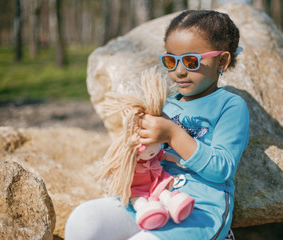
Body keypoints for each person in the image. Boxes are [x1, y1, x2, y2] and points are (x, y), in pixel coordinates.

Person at [65, 9, 249, 240]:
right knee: (84, 220)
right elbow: (148, 156)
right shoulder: (166, 105)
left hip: (199, 211)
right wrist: (135, 136)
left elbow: (222, 169)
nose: (179, 71)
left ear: (221, 60)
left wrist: (172, 134)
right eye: (171, 60)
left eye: (191, 61)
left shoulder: (230, 106)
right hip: (149, 198)